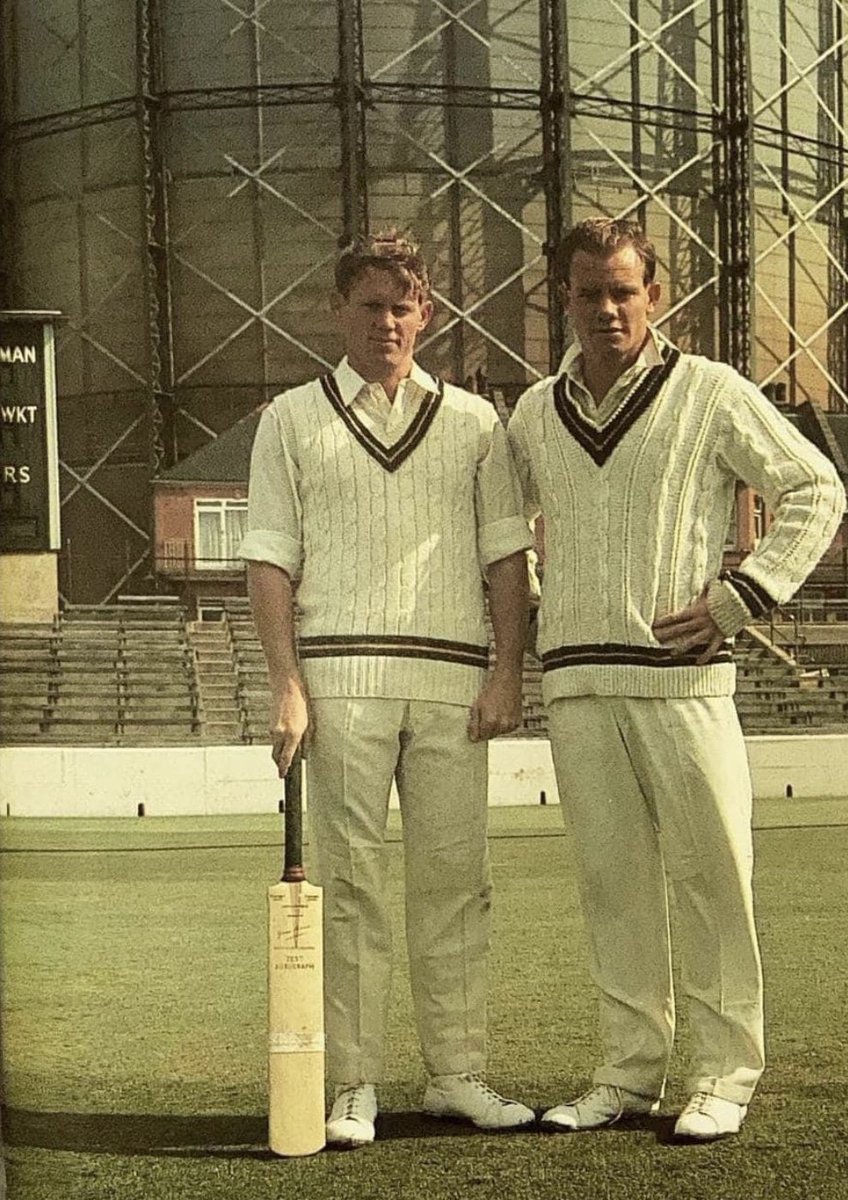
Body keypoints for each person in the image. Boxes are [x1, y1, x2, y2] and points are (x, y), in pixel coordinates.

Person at [507, 217, 845, 1141]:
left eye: (624, 290)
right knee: (613, 887)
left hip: (683, 683)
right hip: (577, 686)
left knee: (714, 880)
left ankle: (724, 1074)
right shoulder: (536, 412)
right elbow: (499, 530)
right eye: (588, 293)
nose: (607, 308)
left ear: (654, 294)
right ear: (562, 301)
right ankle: (628, 1072)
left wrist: (741, 598)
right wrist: (548, 601)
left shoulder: (710, 392)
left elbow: (816, 488)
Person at [240, 230, 535, 1147]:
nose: (387, 322)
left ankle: (456, 1073)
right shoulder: (290, 418)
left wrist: (507, 672)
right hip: (341, 685)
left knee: (456, 883)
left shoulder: (477, 422)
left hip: (451, 684)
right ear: (339, 312)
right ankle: (354, 1083)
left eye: (403, 306)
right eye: (370, 305)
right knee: (354, 887)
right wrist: (288, 684)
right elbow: (270, 562)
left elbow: (504, 557)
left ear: (427, 315)